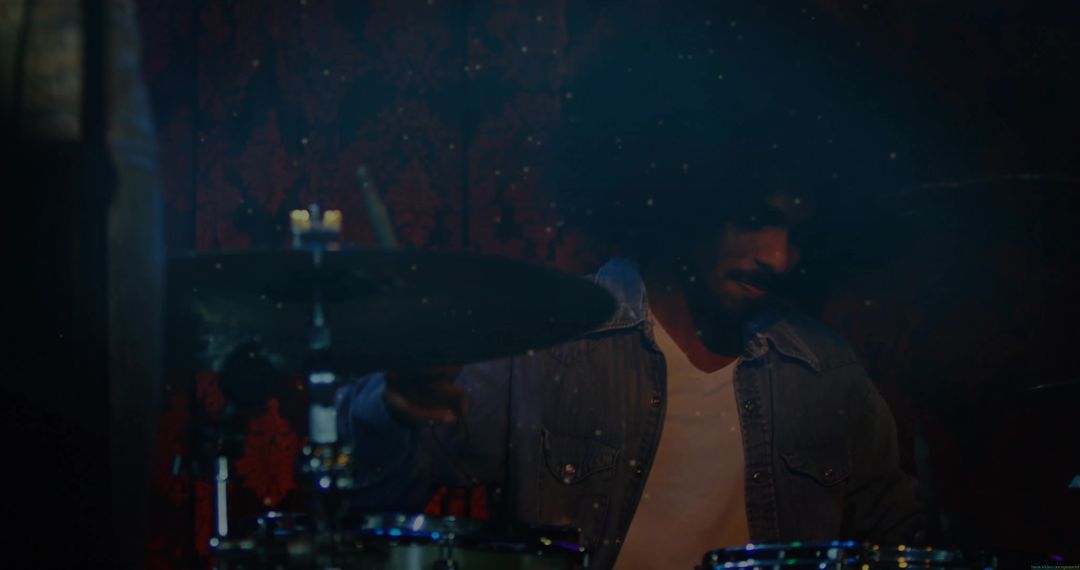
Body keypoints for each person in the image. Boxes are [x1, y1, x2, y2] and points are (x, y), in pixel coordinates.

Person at [335, 182, 924, 570]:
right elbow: (364, 498)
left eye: (799, 236)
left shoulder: (825, 371)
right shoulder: (548, 341)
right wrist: (393, 408)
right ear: (689, 202)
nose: (778, 257)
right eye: (754, 221)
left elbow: (902, 538)